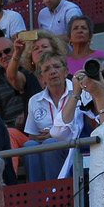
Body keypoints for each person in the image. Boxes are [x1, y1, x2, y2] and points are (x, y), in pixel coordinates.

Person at [22, 55, 79, 183]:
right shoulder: (34, 100)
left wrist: (54, 135)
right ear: (41, 78)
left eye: (57, 67)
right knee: (29, 146)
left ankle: (55, 193)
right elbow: (33, 137)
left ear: (65, 72)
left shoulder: (78, 92)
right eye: (47, 69)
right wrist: (42, 137)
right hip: (46, 151)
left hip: (73, 148)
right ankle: (35, 195)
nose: (52, 71)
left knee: (50, 144)